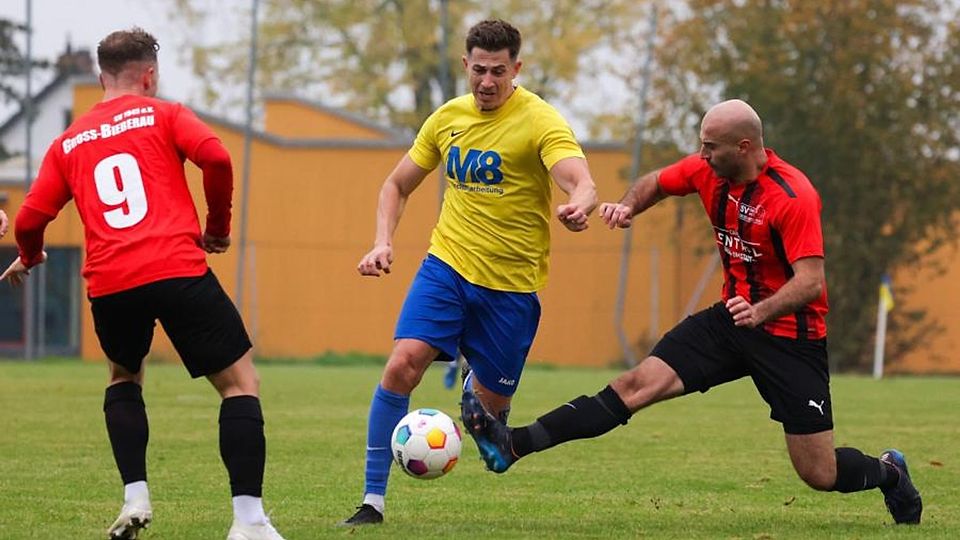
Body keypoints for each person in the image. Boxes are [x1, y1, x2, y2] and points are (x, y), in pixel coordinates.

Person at [462, 99, 923, 526]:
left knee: (818, 472)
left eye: (710, 146)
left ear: (744, 147)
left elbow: (810, 282)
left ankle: (889, 473)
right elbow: (656, 183)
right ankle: (512, 445)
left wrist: (760, 312)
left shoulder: (792, 195)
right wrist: (627, 206)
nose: (701, 155)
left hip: (790, 339)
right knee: (634, 385)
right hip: (729, 323)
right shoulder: (709, 173)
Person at [0, 28, 284, 540]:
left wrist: (30, 254)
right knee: (241, 384)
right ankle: (248, 521)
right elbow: (217, 158)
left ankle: (135, 497)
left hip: (111, 282)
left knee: (123, 377)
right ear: (149, 74)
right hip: (176, 268)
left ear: (100, 76)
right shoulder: (166, 114)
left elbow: (29, 217)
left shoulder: (68, 142)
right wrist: (217, 228)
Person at [344, 19, 597, 526]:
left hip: (511, 290)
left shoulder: (540, 121)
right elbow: (396, 185)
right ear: (465, 65)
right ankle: (372, 501)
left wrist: (580, 204)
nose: (486, 82)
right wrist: (382, 241)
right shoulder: (447, 118)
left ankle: (479, 399)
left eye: (498, 72)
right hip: (448, 267)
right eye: (478, 70)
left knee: (493, 443)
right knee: (402, 365)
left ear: (517, 69)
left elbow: (580, 179)